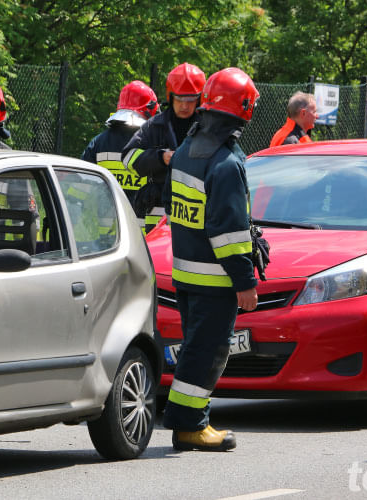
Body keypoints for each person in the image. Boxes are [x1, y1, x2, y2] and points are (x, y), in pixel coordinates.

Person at [162, 67, 260, 452]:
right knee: (208, 354)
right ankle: (190, 425)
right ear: (244, 107)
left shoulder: (188, 149)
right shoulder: (226, 162)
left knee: (195, 350)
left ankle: (189, 420)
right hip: (216, 281)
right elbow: (229, 232)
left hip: (186, 273)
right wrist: (245, 281)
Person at [121, 63, 206, 234]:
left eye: (190, 100)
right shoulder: (155, 126)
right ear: (170, 96)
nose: (184, 105)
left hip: (196, 212)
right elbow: (128, 158)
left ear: (199, 98)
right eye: (179, 99)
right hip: (156, 213)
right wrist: (161, 157)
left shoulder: (207, 127)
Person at [81, 80, 158, 205]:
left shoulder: (98, 142)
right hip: (144, 223)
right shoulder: (155, 144)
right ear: (150, 109)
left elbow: (80, 185)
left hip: (108, 223)